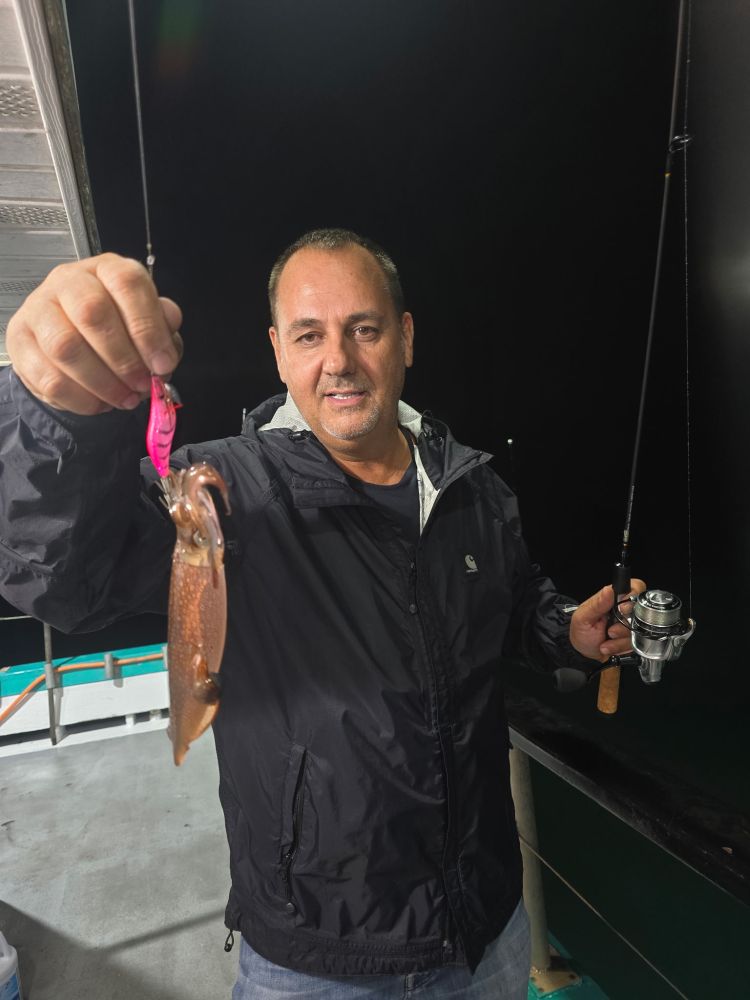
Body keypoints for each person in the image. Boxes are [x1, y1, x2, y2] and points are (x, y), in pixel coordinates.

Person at [0, 229, 642, 999]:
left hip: (486, 933)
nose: (337, 359)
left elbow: (511, 606)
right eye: (310, 335)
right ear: (278, 352)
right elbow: (62, 577)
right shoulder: (224, 489)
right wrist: (57, 417)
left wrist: (564, 628)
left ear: (404, 338)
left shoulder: (474, 489)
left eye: (363, 329)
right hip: (314, 957)